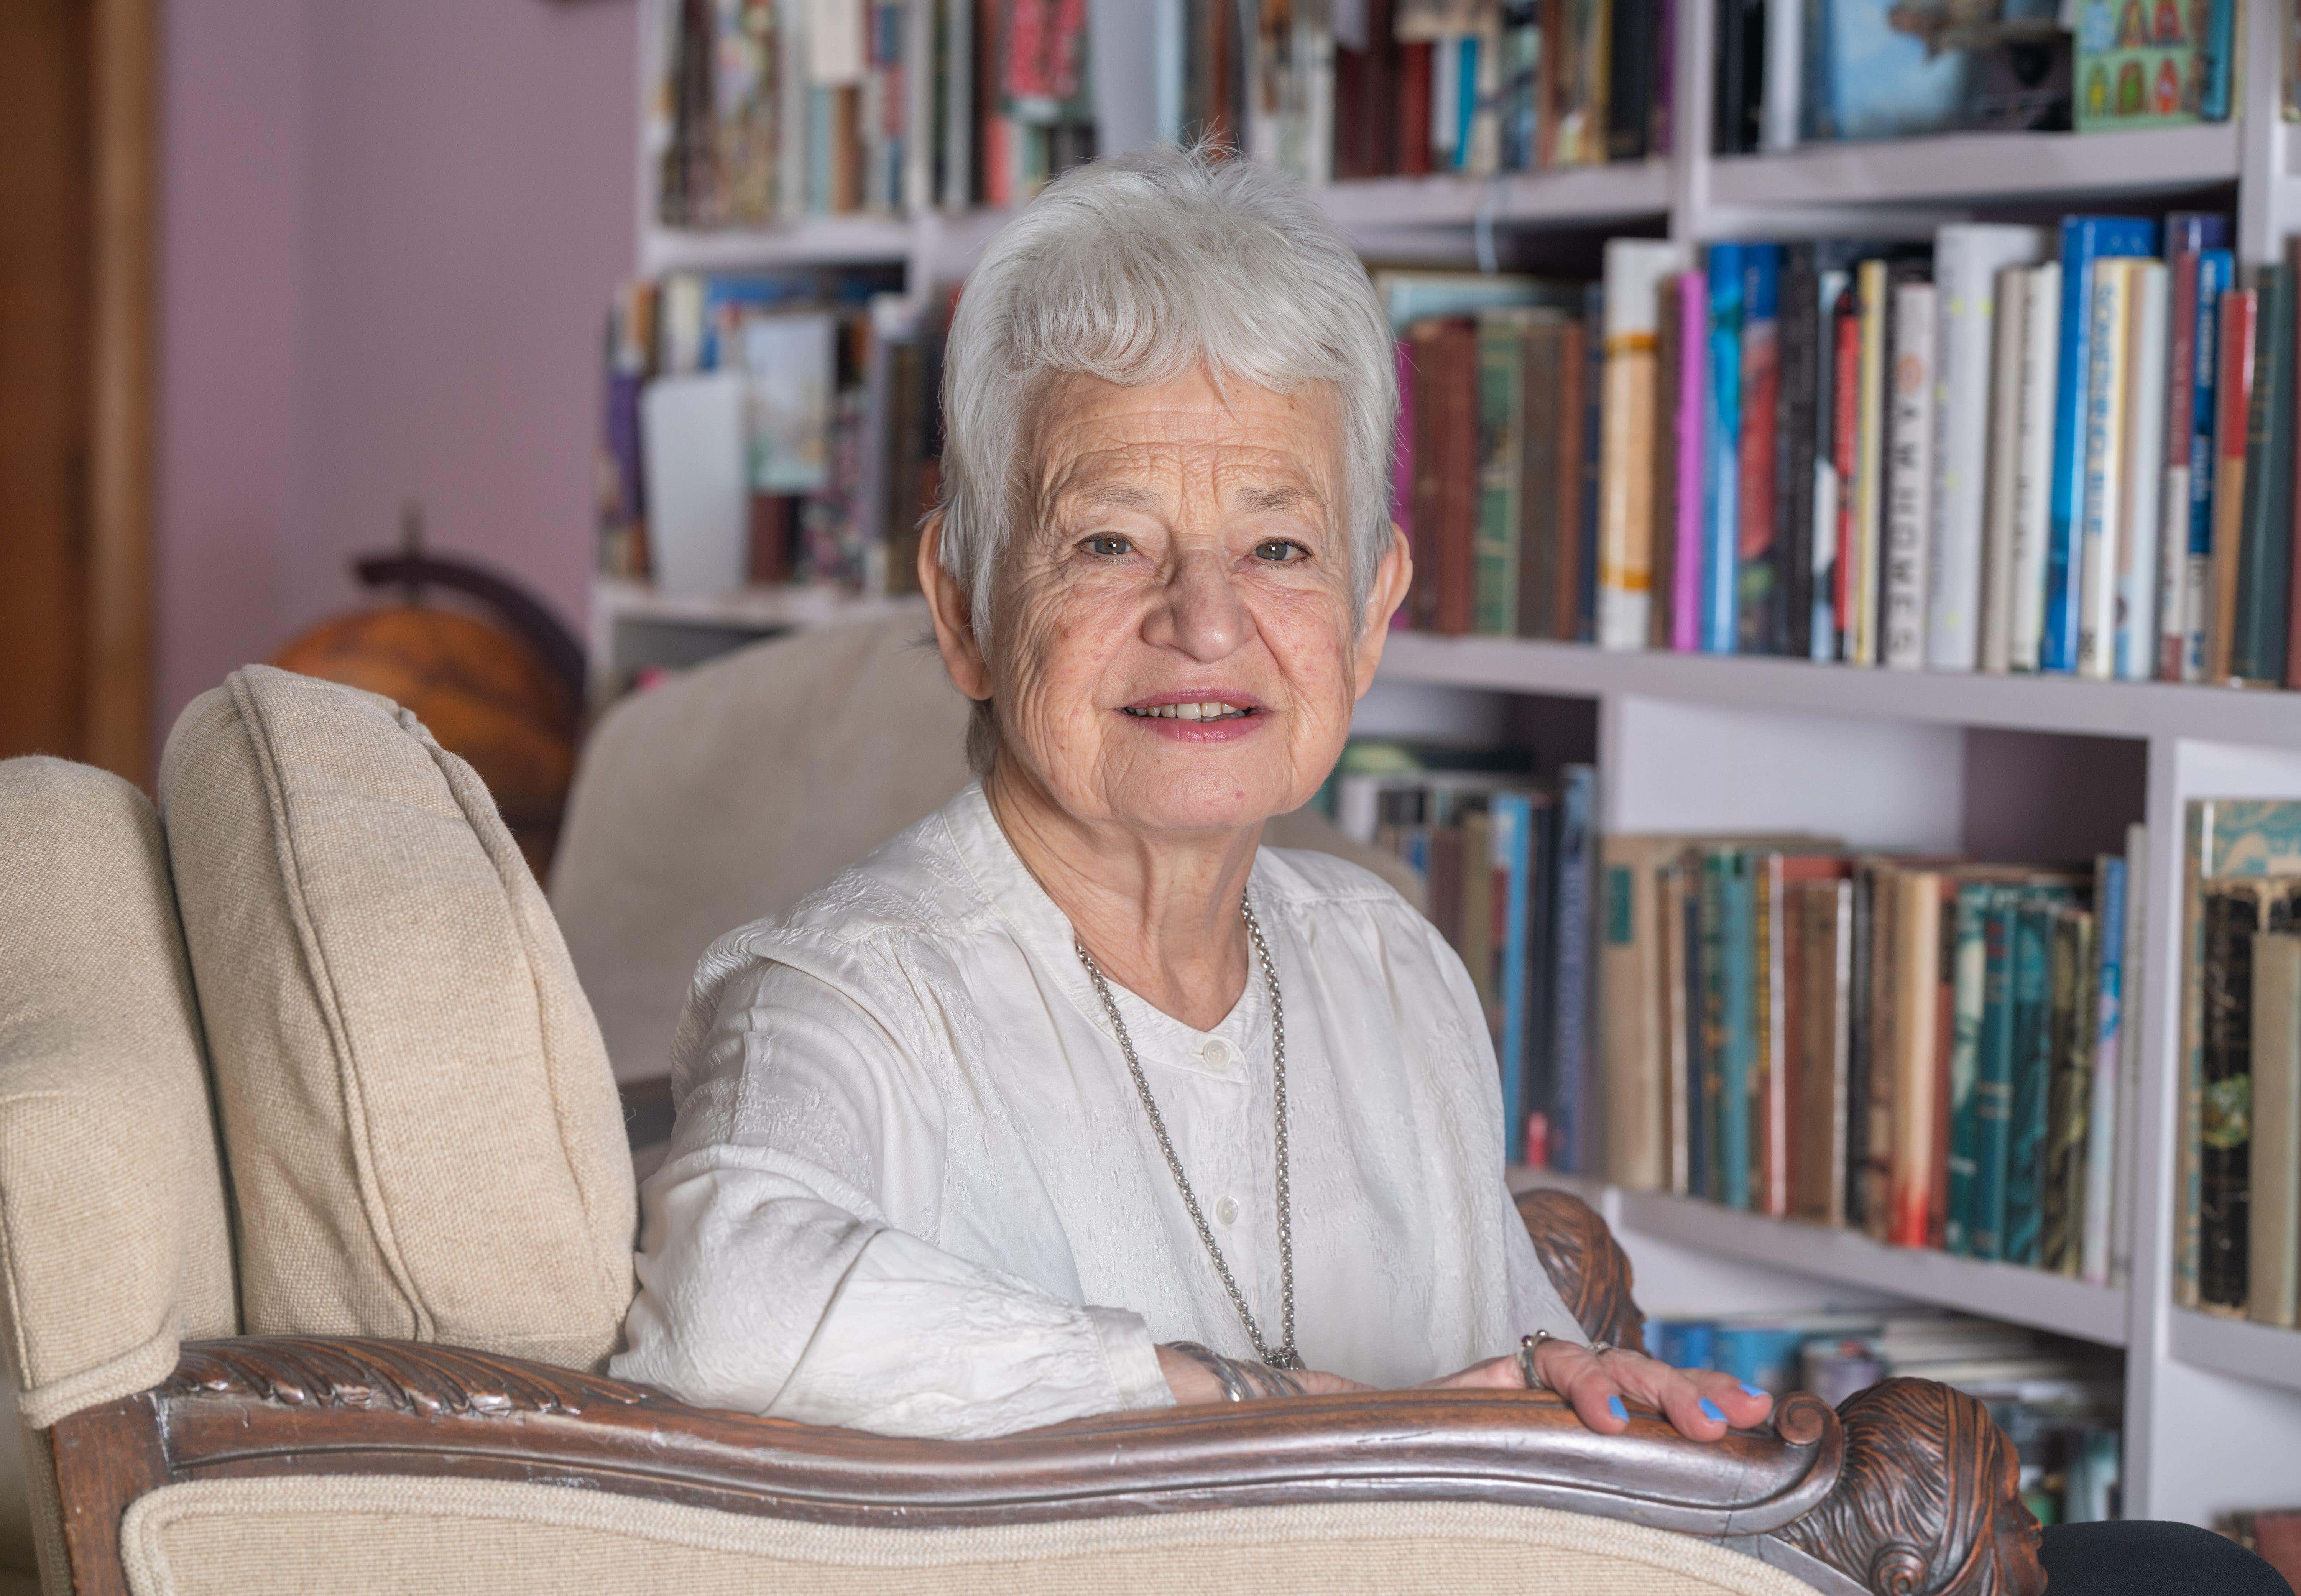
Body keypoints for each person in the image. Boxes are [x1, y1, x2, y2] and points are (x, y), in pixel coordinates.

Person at [611, 145, 2289, 1596]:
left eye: (1279, 547)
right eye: (1108, 540)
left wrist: (1574, 1388)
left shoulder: (1380, 958)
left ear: (1372, 609)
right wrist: (1269, 1411)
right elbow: (722, 1309)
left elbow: (1476, 1372)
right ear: (967, 608)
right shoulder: (844, 986)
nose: (1207, 620)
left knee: (2173, 1571)